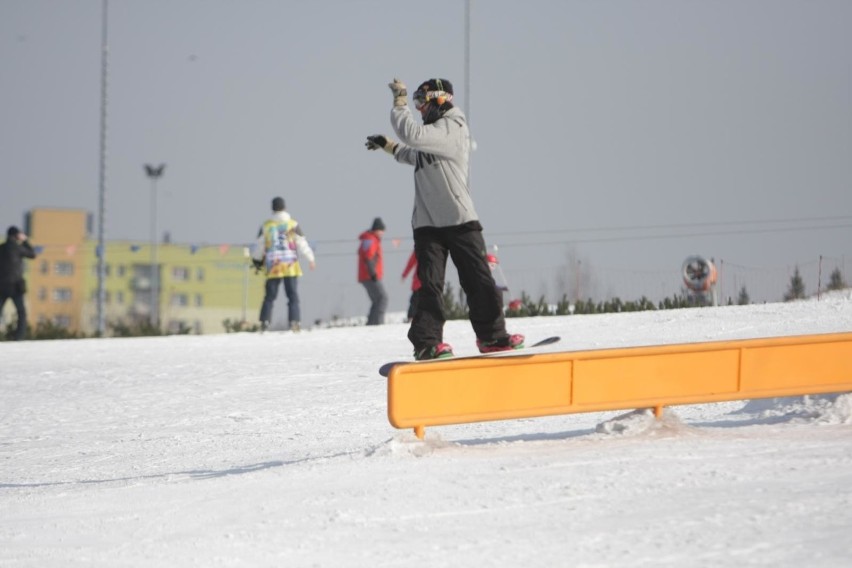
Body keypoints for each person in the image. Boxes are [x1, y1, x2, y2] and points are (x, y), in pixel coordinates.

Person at [365, 77, 524, 360]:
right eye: (414, 103)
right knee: (429, 286)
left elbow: (412, 136)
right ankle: (427, 343)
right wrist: (387, 146)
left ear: (441, 100)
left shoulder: (453, 127)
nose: (418, 109)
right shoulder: (433, 134)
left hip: (460, 219)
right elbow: (414, 154)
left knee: (478, 280)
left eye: (420, 102)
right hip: (428, 225)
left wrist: (399, 102)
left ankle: (492, 337)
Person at [251, 197, 315, 332]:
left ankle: (265, 322)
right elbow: (302, 243)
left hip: (273, 265)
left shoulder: (266, 225)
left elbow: (259, 246)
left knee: (269, 296)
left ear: (272, 209)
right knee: (292, 295)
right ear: (285, 207)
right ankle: (294, 321)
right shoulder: (293, 224)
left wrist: (256, 260)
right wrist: (310, 258)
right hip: (290, 265)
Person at [0, 226, 37, 340]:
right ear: (17, 236)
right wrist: (25, 240)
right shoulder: (18, 248)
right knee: (21, 313)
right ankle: (19, 337)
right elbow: (32, 254)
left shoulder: (1, 248)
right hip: (16, 286)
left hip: (1, 286)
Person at [357, 217, 388, 325]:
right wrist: (373, 273)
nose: (383, 233)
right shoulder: (371, 240)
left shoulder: (370, 239)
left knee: (377, 300)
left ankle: (371, 323)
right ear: (376, 229)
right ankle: (378, 323)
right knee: (383, 298)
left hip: (367, 275)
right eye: (381, 231)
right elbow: (368, 257)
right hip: (370, 276)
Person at [401, 250, 421, 322]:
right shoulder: (418, 248)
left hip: (427, 281)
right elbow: (411, 262)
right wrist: (404, 274)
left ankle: (412, 317)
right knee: (414, 301)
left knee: (417, 301)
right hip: (419, 282)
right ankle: (411, 318)